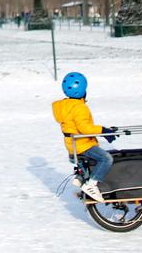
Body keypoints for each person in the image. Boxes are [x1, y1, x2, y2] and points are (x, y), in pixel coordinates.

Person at [51, 71, 116, 201]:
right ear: (82, 91)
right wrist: (103, 131)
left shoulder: (64, 106)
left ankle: (81, 178)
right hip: (83, 145)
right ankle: (91, 185)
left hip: (72, 146)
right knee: (106, 159)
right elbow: (85, 128)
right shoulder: (79, 107)